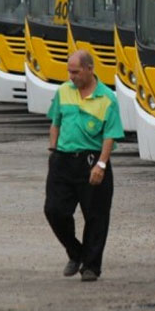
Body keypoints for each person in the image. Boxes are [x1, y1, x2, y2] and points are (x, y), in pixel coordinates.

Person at [44, 50, 124, 282]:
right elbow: (55, 123)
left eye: (76, 72)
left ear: (90, 69)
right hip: (63, 159)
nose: (72, 76)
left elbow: (110, 135)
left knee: (96, 216)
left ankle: (91, 266)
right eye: (69, 72)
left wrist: (101, 164)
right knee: (54, 210)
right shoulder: (62, 92)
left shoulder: (107, 99)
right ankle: (75, 251)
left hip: (92, 160)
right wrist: (53, 149)